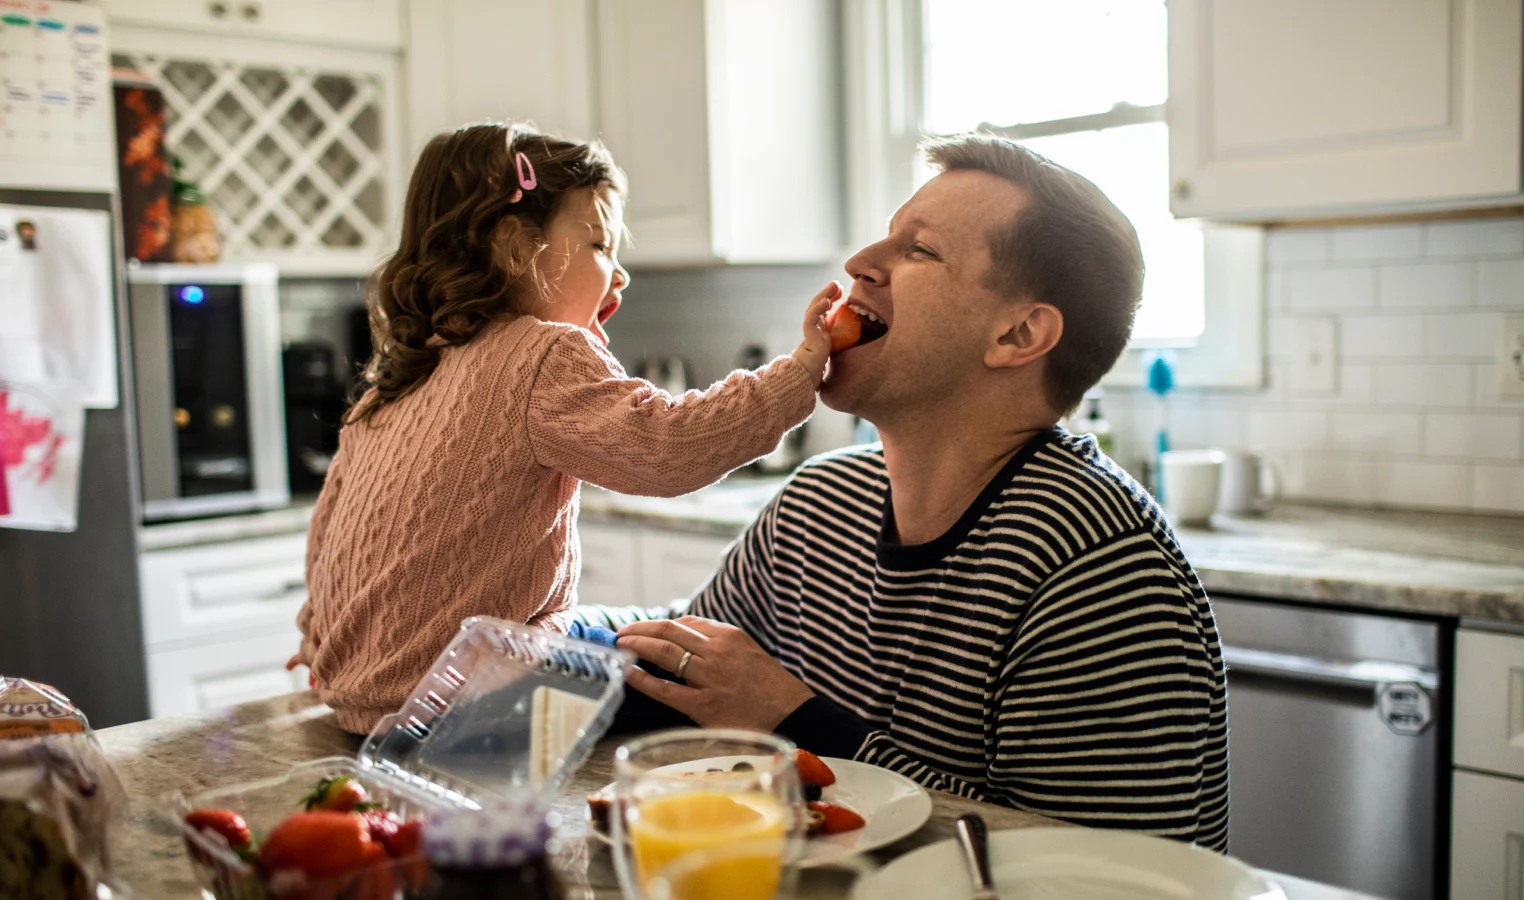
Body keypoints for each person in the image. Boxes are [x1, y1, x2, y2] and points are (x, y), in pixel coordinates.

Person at [575, 134, 1229, 851]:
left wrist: (793, 718)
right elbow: (692, 661)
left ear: (1018, 333)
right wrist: (526, 632)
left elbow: (1084, 867)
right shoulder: (823, 501)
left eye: (918, 250)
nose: (858, 265)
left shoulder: (1100, 570)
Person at [292, 123, 838, 733]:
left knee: (622, 630)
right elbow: (668, 447)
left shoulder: (392, 385)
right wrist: (801, 372)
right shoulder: (541, 355)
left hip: (365, 704)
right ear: (513, 246)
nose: (620, 274)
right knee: (699, 676)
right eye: (600, 245)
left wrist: (323, 636)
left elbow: (328, 540)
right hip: (482, 697)